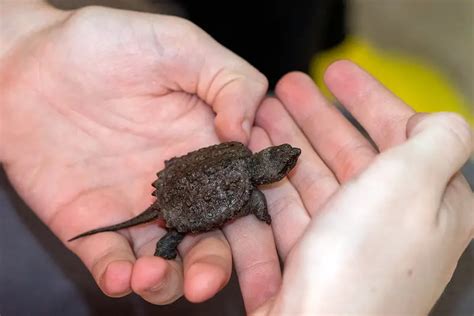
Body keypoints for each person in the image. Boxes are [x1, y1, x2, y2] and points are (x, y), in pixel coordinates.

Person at [1, 2, 472, 315]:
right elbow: (254, 205)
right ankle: (167, 243)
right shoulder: (250, 189)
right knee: (171, 239)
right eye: (284, 160)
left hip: (173, 190)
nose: (288, 158)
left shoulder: (237, 151)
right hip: (176, 209)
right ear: (268, 172)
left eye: (282, 159)